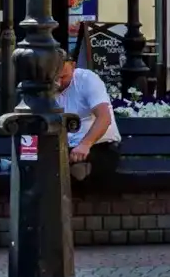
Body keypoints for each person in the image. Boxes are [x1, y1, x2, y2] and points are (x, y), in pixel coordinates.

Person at [52, 48, 121, 190]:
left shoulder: (87, 79)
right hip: (64, 148)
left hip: (98, 145)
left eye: (63, 77)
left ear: (73, 66)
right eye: (54, 78)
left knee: (73, 167)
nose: (59, 82)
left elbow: (104, 117)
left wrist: (85, 144)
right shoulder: (45, 86)